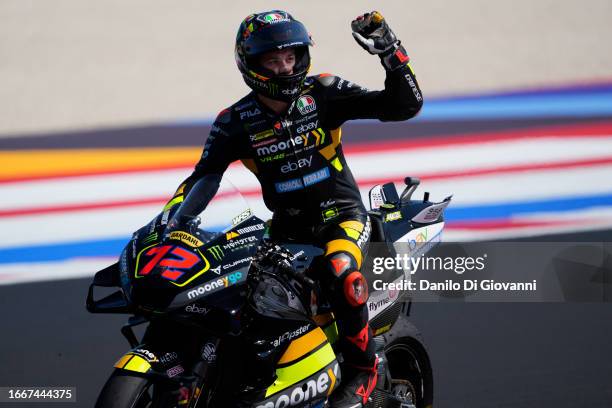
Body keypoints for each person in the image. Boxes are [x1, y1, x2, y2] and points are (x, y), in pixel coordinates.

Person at [159, 9, 423, 407]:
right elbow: (204, 177)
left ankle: (362, 370)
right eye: (273, 59)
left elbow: (403, 106)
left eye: (291, 57)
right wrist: (175, 222)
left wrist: (390, 50)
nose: (285, 67)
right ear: (251, 64)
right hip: (283, 230)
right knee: (231, 292)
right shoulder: (234, 121)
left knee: (340, 269)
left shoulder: (324, 90)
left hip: (342, 217)